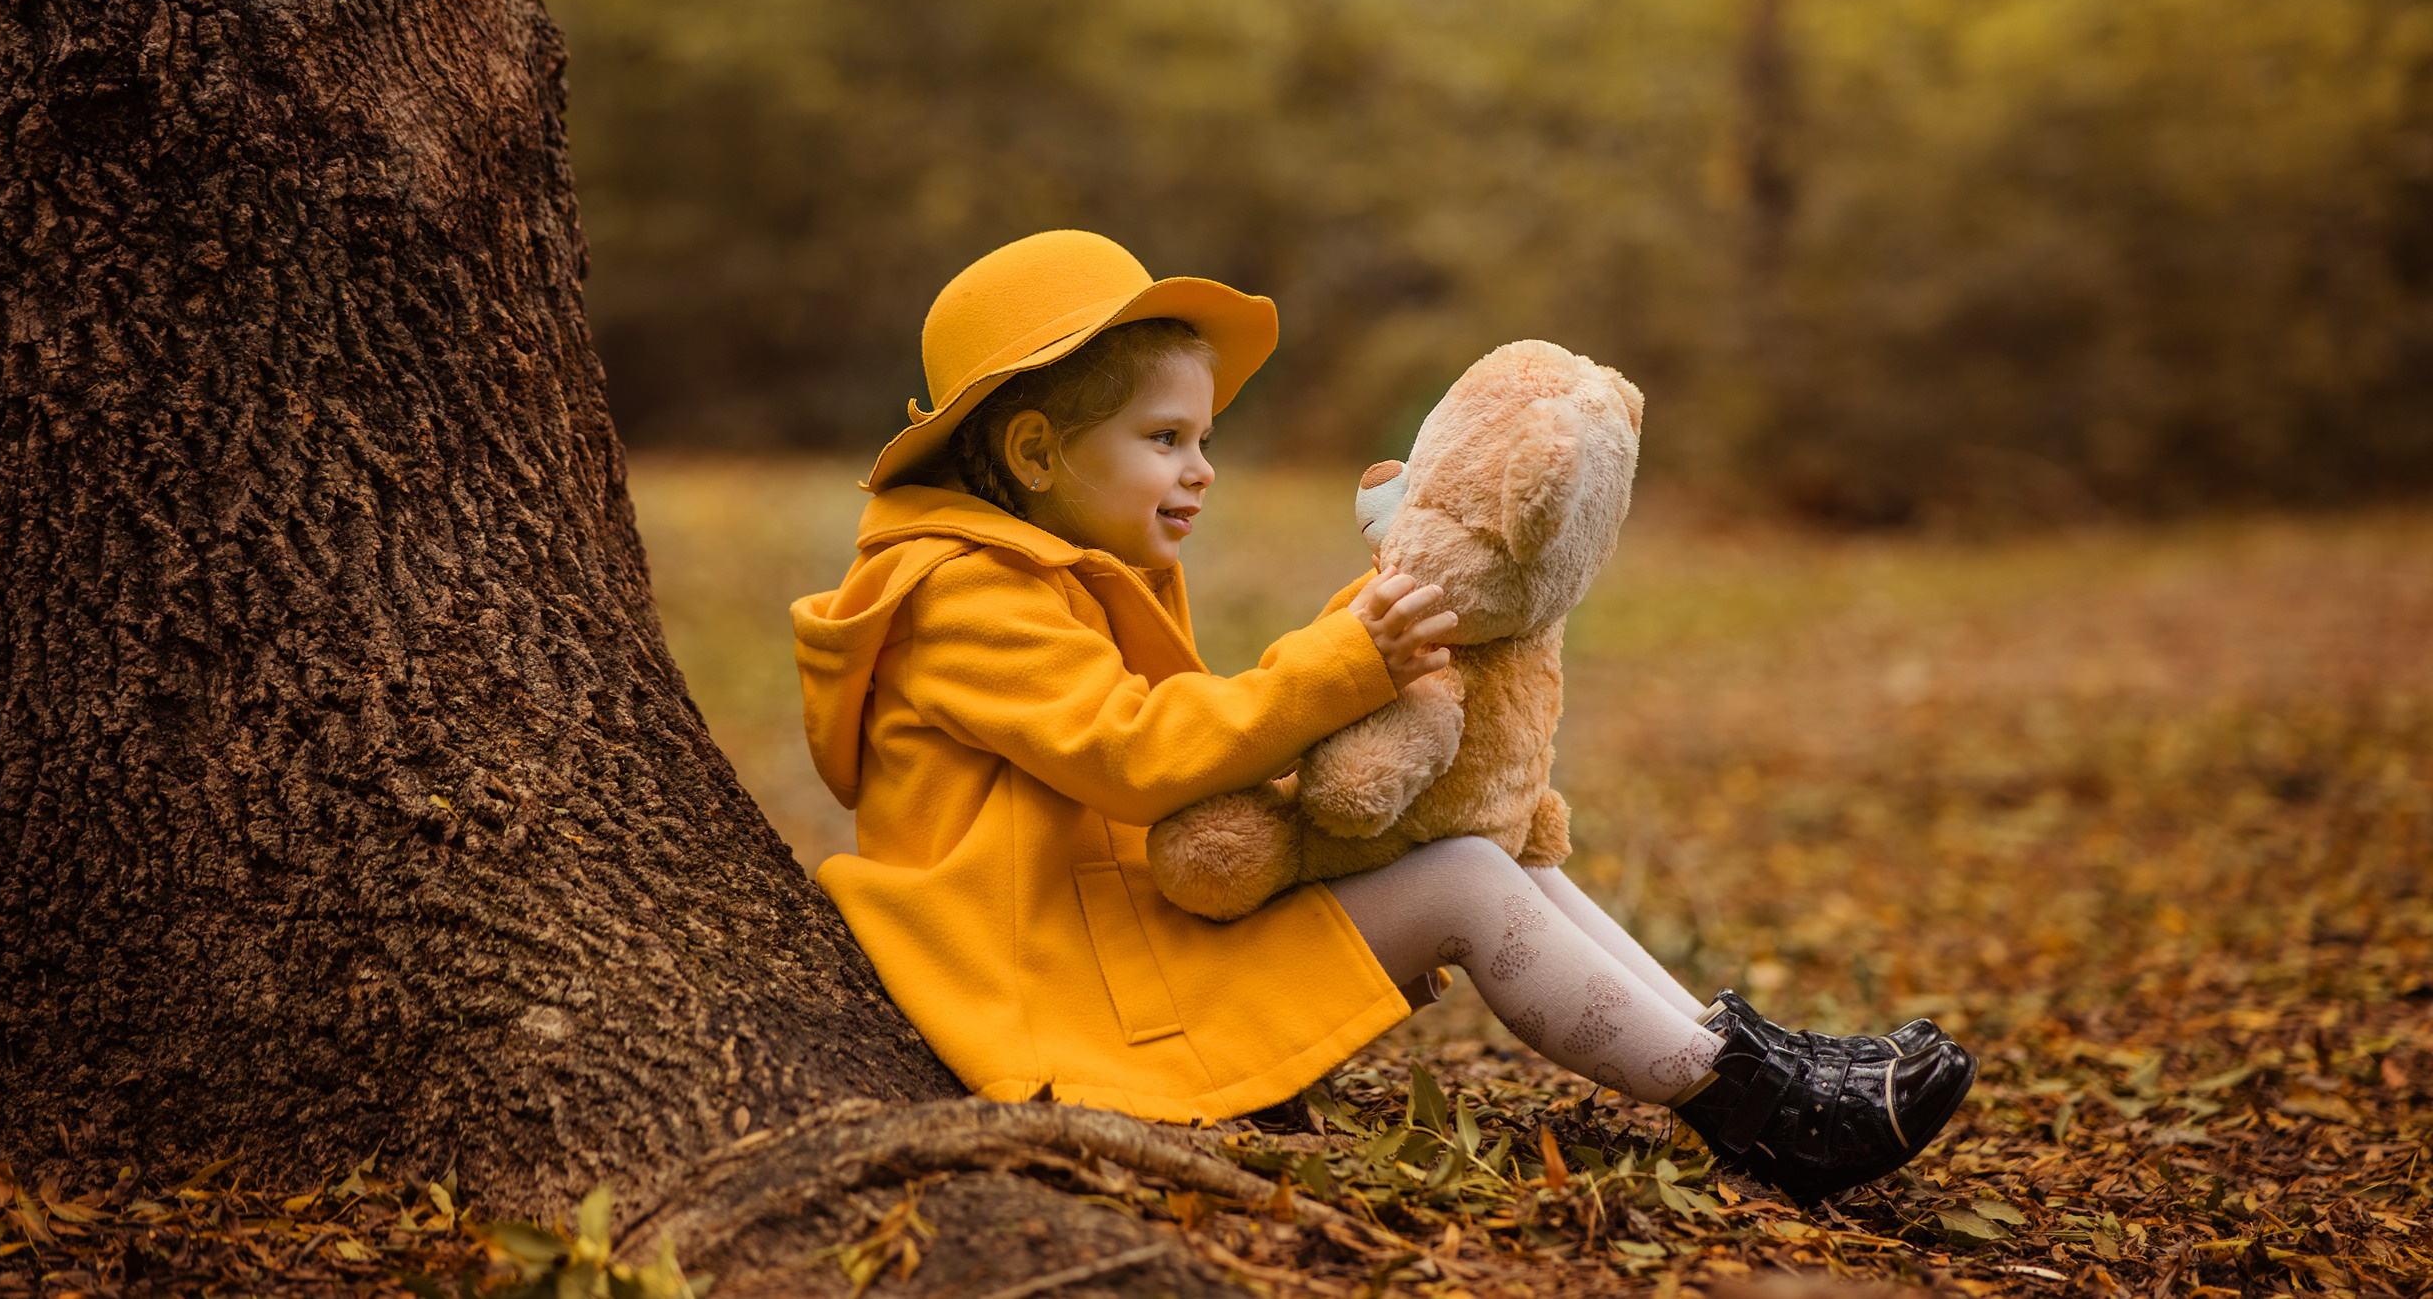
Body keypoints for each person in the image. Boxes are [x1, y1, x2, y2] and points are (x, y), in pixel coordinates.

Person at [793, 230, 1975, 1206]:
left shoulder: (1051, 571)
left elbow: (1182, 738)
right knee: (1462, 882)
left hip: (1123, 941)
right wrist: (1339, 667)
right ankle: (1749, 1107)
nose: (1200, 468)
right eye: (1164, 440)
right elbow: (1136, 753)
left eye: (1203, 439)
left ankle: (1745, 1056)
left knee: (1490, 849)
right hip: (1068, 991)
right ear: (1034, 448)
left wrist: (1350, 683)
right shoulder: (961, 594)